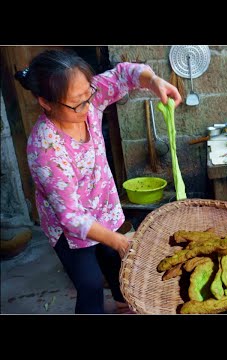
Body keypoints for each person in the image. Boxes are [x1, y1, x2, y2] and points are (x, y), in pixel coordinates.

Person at [15, 49, 182, 314]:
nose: (87, 105)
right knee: (91, 284)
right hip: (70, 228)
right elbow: (71, 217)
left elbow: (124, 74)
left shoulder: (89, 100)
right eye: (76, 103)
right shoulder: (46, 150)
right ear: (46, 102)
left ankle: (123, 304)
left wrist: (154, 81)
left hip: (104, 204)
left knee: (117, 269)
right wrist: (120, 241)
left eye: (88, 93)